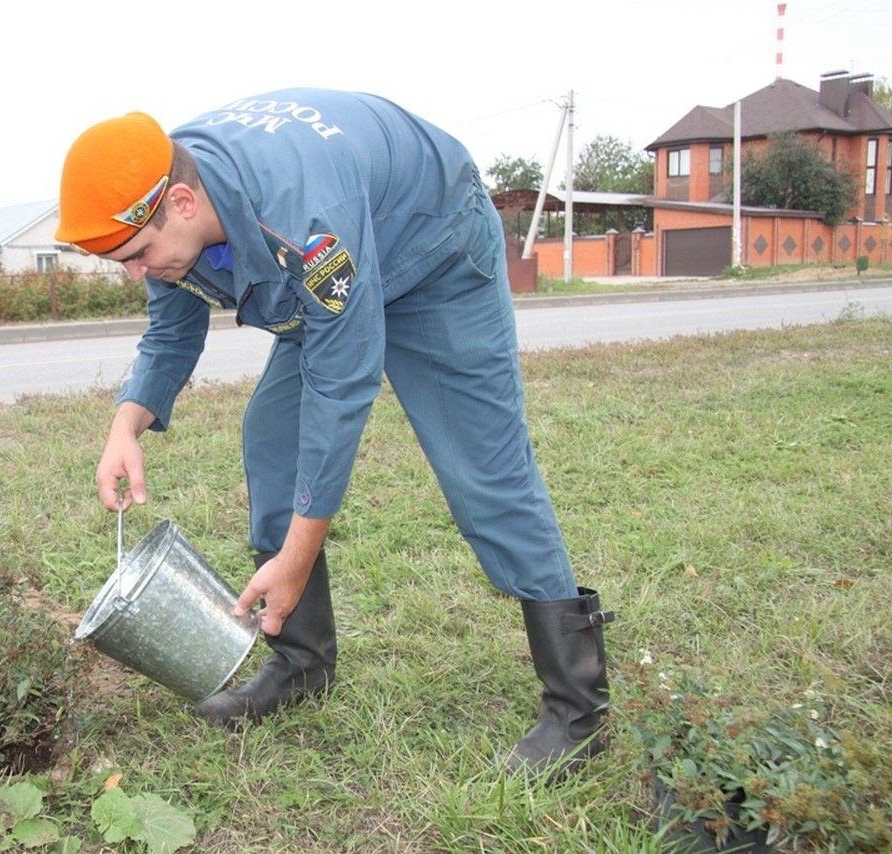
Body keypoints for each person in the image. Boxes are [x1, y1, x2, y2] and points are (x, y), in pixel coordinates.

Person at [55, 89, 614, 776]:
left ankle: (578, 710)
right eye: (123, 263)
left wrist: (293, 558)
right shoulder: (156, 192)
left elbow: (341, 385)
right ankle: (302, 665)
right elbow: (172, 326)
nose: (137, 272)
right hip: (335, 269)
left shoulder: (304, 217)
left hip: (431, 251)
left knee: (484, 473)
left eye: (137, 255)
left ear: (182, 204)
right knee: (272, 440)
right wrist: (126, 426)